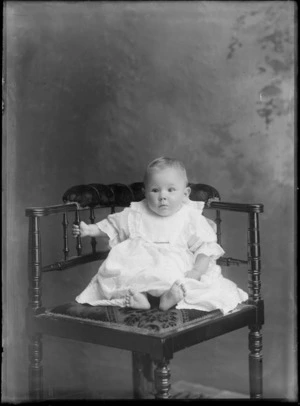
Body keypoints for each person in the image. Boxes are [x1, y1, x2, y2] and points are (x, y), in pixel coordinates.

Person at [72, 157, 248, 314]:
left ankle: (168, 297)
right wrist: (91, 230)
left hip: (173, 262)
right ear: (145, 192)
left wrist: (197, 270)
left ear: (185, 193)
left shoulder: (189, 216)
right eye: (155, 190)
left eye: (171, 190)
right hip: (138, 262)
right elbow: (114, 225)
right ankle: (140, 298)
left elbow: (205, 247)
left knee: (170, 274)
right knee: (124, 273)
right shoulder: (138, 212)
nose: (162, 196)